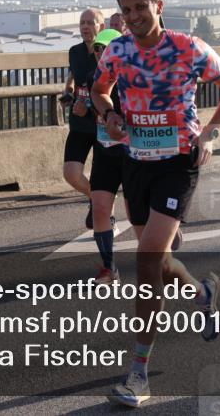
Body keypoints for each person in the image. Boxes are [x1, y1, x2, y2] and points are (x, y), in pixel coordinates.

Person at [92, 0, 220, 407]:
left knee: (145, 261)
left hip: (178, 164)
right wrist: (109, 116)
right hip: (135, 164)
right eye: (126, 11)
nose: (134, 16)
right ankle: (203, 292)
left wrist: (209, 135)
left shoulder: (188, 47)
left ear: (159, 6)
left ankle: (137, 374)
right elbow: (100, 90)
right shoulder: (118, 50)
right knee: (157, 260)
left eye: (141, 7)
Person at [87, 28, 130, 285]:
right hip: (105, 150)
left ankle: (169, 230)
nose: (102, 52)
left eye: (107, 47)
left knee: (137, 210)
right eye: (98, 48)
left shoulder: (133, 73)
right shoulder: (96, 77)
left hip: (132, 151)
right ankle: (108, 268)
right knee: (101, 208)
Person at [64, 8, 105, 227]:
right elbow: (73, 76)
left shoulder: (107, 53)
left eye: (90, 22)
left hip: (102, 125)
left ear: (102, 26)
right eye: (82, 23)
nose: (85, 27)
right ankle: (95, 198)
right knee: (71, 173)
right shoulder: (74, 51)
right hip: (79, 123)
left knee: (102, 179)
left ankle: (102, 207)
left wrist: (90, 109)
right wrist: (68, 93)